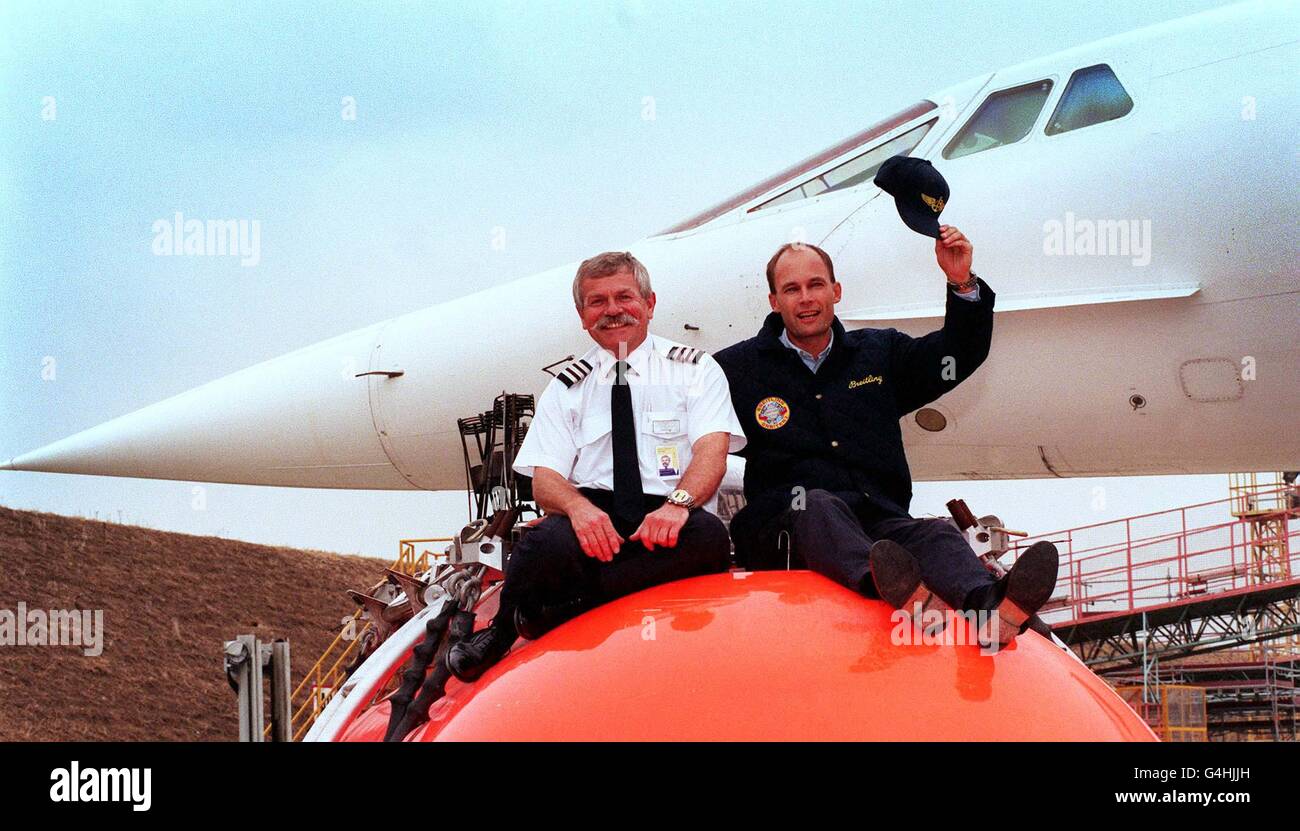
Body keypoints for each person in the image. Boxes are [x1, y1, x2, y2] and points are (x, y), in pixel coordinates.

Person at [713, 234, 1058, 650]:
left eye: (816, 285)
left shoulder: (878, 353)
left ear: (835, 291)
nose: (806, 298)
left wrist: (963, 284)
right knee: (819, 505)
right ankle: (891, 587)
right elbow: (680, 430)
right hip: (788, 524)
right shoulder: (733, 369)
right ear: (774, 301)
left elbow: (955, 356)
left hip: (878, 518)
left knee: (935, 535)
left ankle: (992, 609)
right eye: (792, 289)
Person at [447, 251, 747, 680]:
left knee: (708, 537)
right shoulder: (568, 386)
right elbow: (545, 480)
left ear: (649, 303)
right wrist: (579, 510)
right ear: (582, 315)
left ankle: (568, 609)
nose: (612, 310)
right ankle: (498, 632)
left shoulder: (695, 370)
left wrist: (678, 504)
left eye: (624, 297)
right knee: (540, 544)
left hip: (667, 516)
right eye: (597, 301)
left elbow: (711, 453)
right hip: (594, 519)